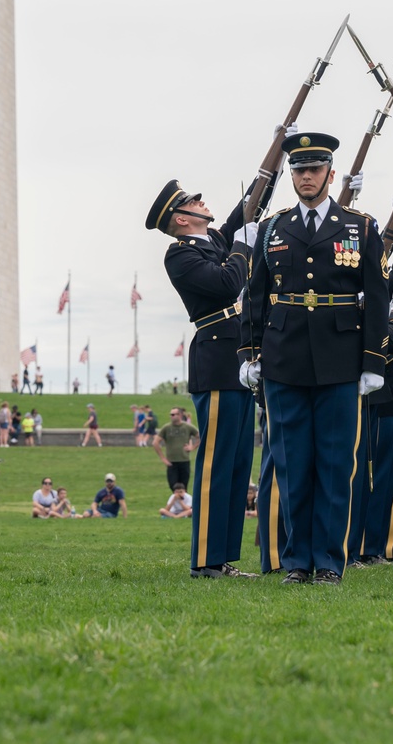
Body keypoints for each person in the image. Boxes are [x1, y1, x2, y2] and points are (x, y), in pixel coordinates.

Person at [240, 132, 389, 584]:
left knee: (335, 463)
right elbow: (256, 296)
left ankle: (328, 561)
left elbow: (379, 296)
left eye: (314, 169)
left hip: (340, 357)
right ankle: (296, 562)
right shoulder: (272, 228)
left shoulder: (360, 226)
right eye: (299, 170)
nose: (306, 177)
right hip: (284, 358)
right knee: (291, 463)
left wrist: (373, 362)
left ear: (330, 173)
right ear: (291, 176)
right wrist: (250, 353)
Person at [147, 173, 257, 581]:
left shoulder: (212, 242)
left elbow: (248, 209)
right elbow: (229, 283)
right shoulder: (180, 255)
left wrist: (275, 159)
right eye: (194, 200)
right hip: (216, 358)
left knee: (237, 464)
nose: (202, 201)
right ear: (180, 219)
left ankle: (223, 559)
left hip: (240, 356)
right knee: (216, 464)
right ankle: (206, 561)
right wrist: (245, 243)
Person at [152, 406, 199, 493]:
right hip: (171, 462)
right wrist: (163, 458)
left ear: (180, 415)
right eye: (171, 415)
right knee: (173, 486)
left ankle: (185, 505)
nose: (172, 416)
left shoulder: (187, 427)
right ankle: (177, 504)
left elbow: (199, 437)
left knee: (184, 487)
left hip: (184, 461)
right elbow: (155, 443)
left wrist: (192, 447)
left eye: (174, 414)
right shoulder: (166, 428)